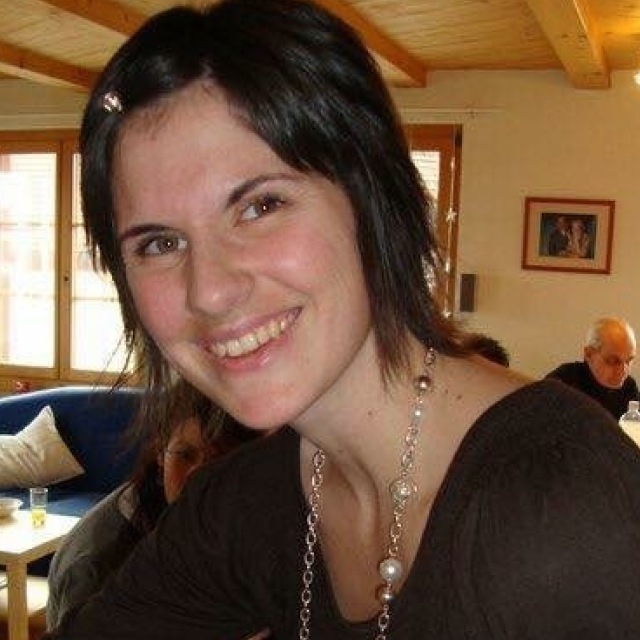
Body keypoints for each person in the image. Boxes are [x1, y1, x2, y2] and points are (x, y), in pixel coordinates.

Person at [44, 0, 640, 638]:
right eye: (160, 243)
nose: (210, 292)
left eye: (261, 206)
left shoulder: (565, 514)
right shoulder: (246, 503)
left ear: (372, 198)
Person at [46, 379, 261, 630]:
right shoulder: (100, 562)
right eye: (185, 455)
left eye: (218, 460)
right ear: (161, 452)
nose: (197, 476)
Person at [546, 317, 639, 420]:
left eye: (629, 360)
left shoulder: (629, 387)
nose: (623, 371)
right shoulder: (562, 382)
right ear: (589, 354)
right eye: (613, 361)